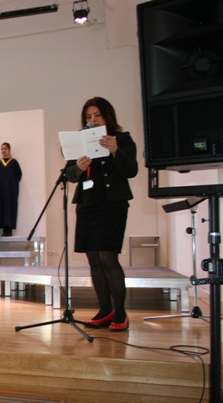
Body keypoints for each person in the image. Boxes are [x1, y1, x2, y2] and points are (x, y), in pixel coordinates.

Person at [66, 97, 138, 332]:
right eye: (88, 116)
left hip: (112, 205)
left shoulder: (122, 139)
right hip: (87, 205)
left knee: (108, 258)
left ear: (108, 116)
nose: (93, 119)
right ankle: (105, 310)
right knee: (93, 259)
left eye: (97, 114)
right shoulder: (80, 142)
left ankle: (121, 313)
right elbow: (69, 175)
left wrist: (115, 150)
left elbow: (131, 170)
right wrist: (78, 167)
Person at [0, 143, 22, 237]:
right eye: (2, 149)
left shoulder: (14, 162)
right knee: (2, 208)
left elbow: (19, 175)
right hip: (1, 190)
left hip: (11, 190)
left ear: (9, 149)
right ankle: (4, 229)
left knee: (10, 208)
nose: (3, 151)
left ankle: (9, 229)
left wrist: (12, 184)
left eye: (5, 149)